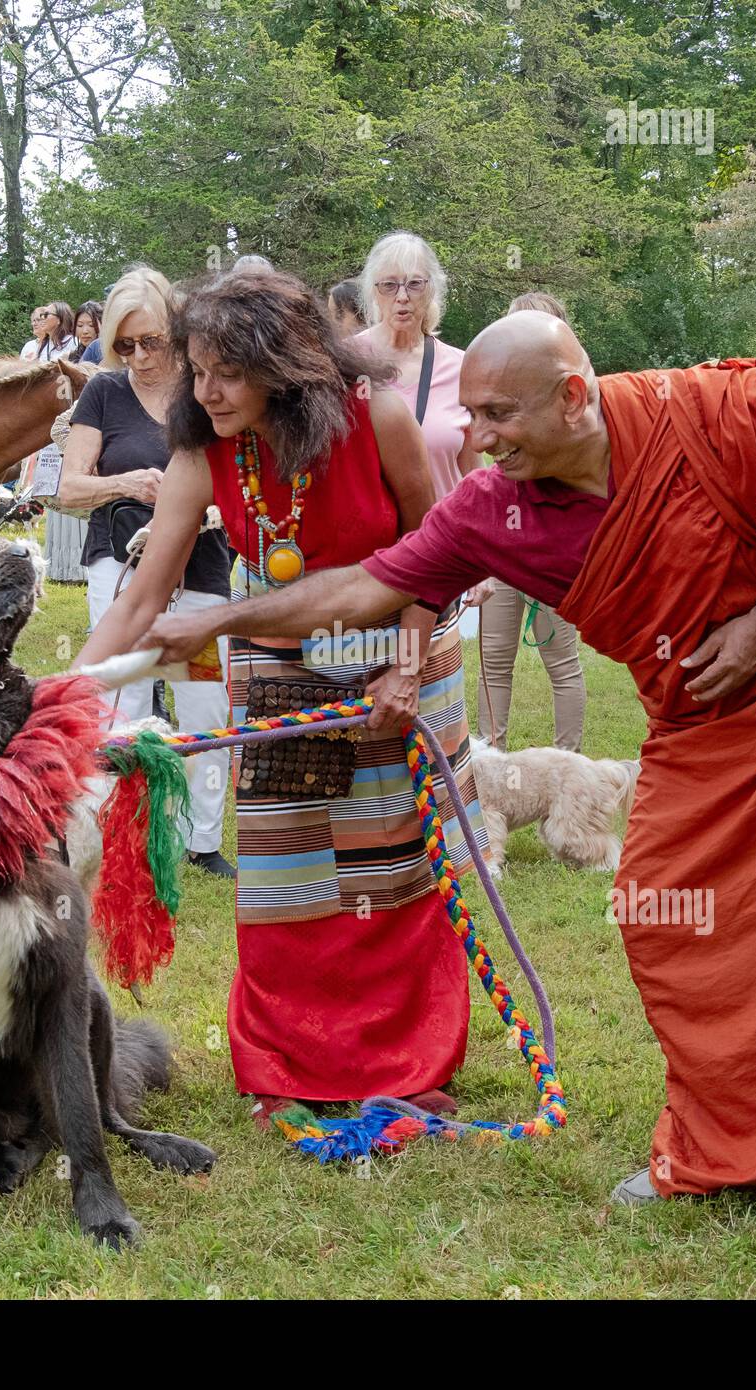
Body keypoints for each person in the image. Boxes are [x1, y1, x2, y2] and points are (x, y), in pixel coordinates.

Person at [136, 311, 756, 1251]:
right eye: (471, 415)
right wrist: (217, 621)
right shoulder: (493, 508)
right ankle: (751, 1146)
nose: (480, 439)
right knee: (681, 925)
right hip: (700, 723)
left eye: (499, 416)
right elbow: (367, 586)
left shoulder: (698, 411)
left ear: (573, 397)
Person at [75, 268, 487, 1124]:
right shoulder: (203, 444)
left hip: (401, 666)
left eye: (227, 370)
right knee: (286, 873)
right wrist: (65, 699)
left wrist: (405, 666)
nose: (206, 389)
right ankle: (293, 1063)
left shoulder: (376, 413)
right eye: (195, 368)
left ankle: (407, 1065)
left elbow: (439, 553)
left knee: (396, 872)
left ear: (287, 362)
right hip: (281, 668)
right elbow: (143, 599)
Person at [60, 265, 234, 877]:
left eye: (150, 342)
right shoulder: (104, 393)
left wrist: (211, 508)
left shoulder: (205, 390)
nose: (137, 357)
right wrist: (125, 482)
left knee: (205, 701)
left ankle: (202, 839)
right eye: (124, 345)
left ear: (174, 332)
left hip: (205, 568)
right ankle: (123, 831)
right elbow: (67, 487)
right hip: (121, 566)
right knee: (123, 701)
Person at [476, 292, 587, 751]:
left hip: (552, 549)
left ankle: (569, 765)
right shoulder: (494, 397)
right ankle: (487, 766)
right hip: (502, 546)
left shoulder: (575, 402)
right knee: (493, 661)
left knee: (561, 661)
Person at [356, 231, 480, 498]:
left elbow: (472, 473)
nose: (402, 296)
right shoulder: (345, 362)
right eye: (389, 285)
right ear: (374, 292)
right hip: (372, 538)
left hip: (444, 534)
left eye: (414, 284)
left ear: (431, 290)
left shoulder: (462, 368)